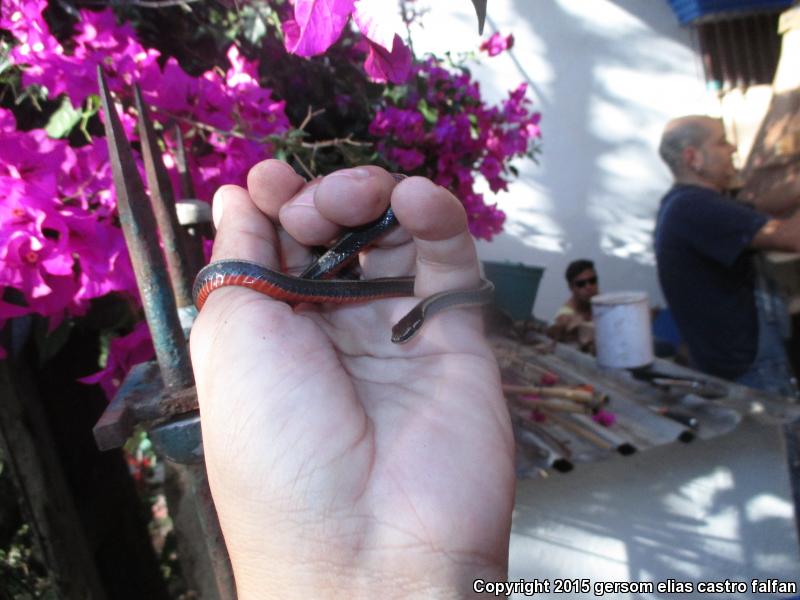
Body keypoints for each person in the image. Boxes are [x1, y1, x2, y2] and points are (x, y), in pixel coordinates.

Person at [189, 160, 515, 598]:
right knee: (375, 200)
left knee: (396, 198)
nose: (401, 334)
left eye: (406, 331)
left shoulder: (439, 313)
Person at [655, 115, 800, 396]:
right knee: (780, 438)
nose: (732, 149)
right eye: (722, 143)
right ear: (692, 157)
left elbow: (757, 206)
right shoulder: (697, 208)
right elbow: (791, 238)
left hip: (734, 360)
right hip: (748, 369)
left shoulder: (686, 203)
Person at [546, 259, 598, 351]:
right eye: (581, 284)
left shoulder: (602, 304)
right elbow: (561, 324)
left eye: (592, 281)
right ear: (571, 287)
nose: (589, 287)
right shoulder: (566, 315)